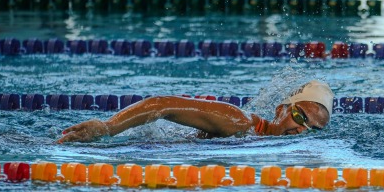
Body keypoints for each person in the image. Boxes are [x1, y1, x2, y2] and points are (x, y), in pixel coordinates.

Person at [57, 80, 334, 143]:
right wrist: (108, 128)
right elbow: (161, 104)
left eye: (313, 129)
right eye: (300, 117)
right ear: (281, 109)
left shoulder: (255, 136)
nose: (302, 129)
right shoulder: (238, 121)